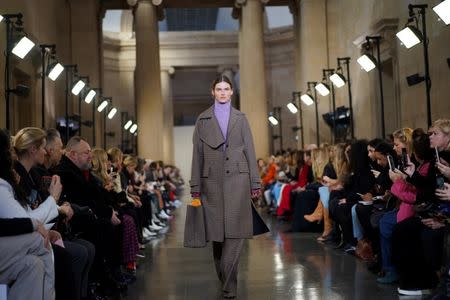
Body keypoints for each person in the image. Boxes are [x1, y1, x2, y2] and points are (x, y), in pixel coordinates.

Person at [189, 75, 265, 299]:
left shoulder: (241, 118)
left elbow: (249, 149)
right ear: (212, 92)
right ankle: (225, 276)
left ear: (232, 92)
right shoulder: (202, 119)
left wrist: (254, 181)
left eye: (227, 89)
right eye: (219, 89)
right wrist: (195, 186)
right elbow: (197, 155)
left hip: (238, 181)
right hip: (211, 182)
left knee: (236, 233)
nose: (223, 92)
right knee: (218, 236)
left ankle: (230, 284)